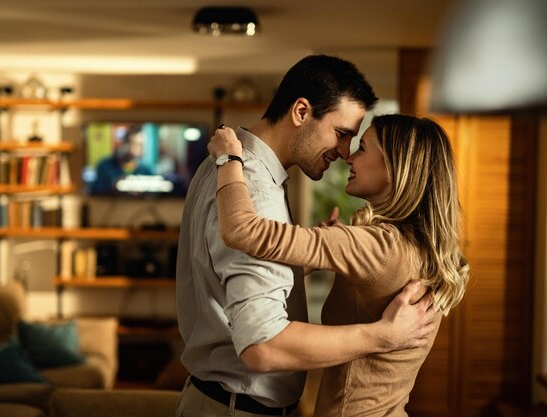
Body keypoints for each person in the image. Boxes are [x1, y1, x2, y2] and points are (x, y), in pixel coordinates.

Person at [176, 54, 437, 417]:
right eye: (342, 134)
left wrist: (301, 259)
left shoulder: (228, 164)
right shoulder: (248, 185)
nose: (345, 153)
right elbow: (263, 345)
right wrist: (382, 335)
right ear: (301, 112)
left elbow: (232, 273)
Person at [207, 114, 470, 416]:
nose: (349, 158)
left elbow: (242, 230)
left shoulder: (376, 246)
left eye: (363, 148)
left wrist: (229, 158)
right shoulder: (416, 248)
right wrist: (325, 252)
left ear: (394, 169)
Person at [90, 125, 151, 195]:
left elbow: (156, 193)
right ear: (124, 143)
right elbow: (94, 191)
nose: (136, 149)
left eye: (141, 145)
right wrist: (114, 186)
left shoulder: (146, 170)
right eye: (133, 144)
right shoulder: (104, 166)